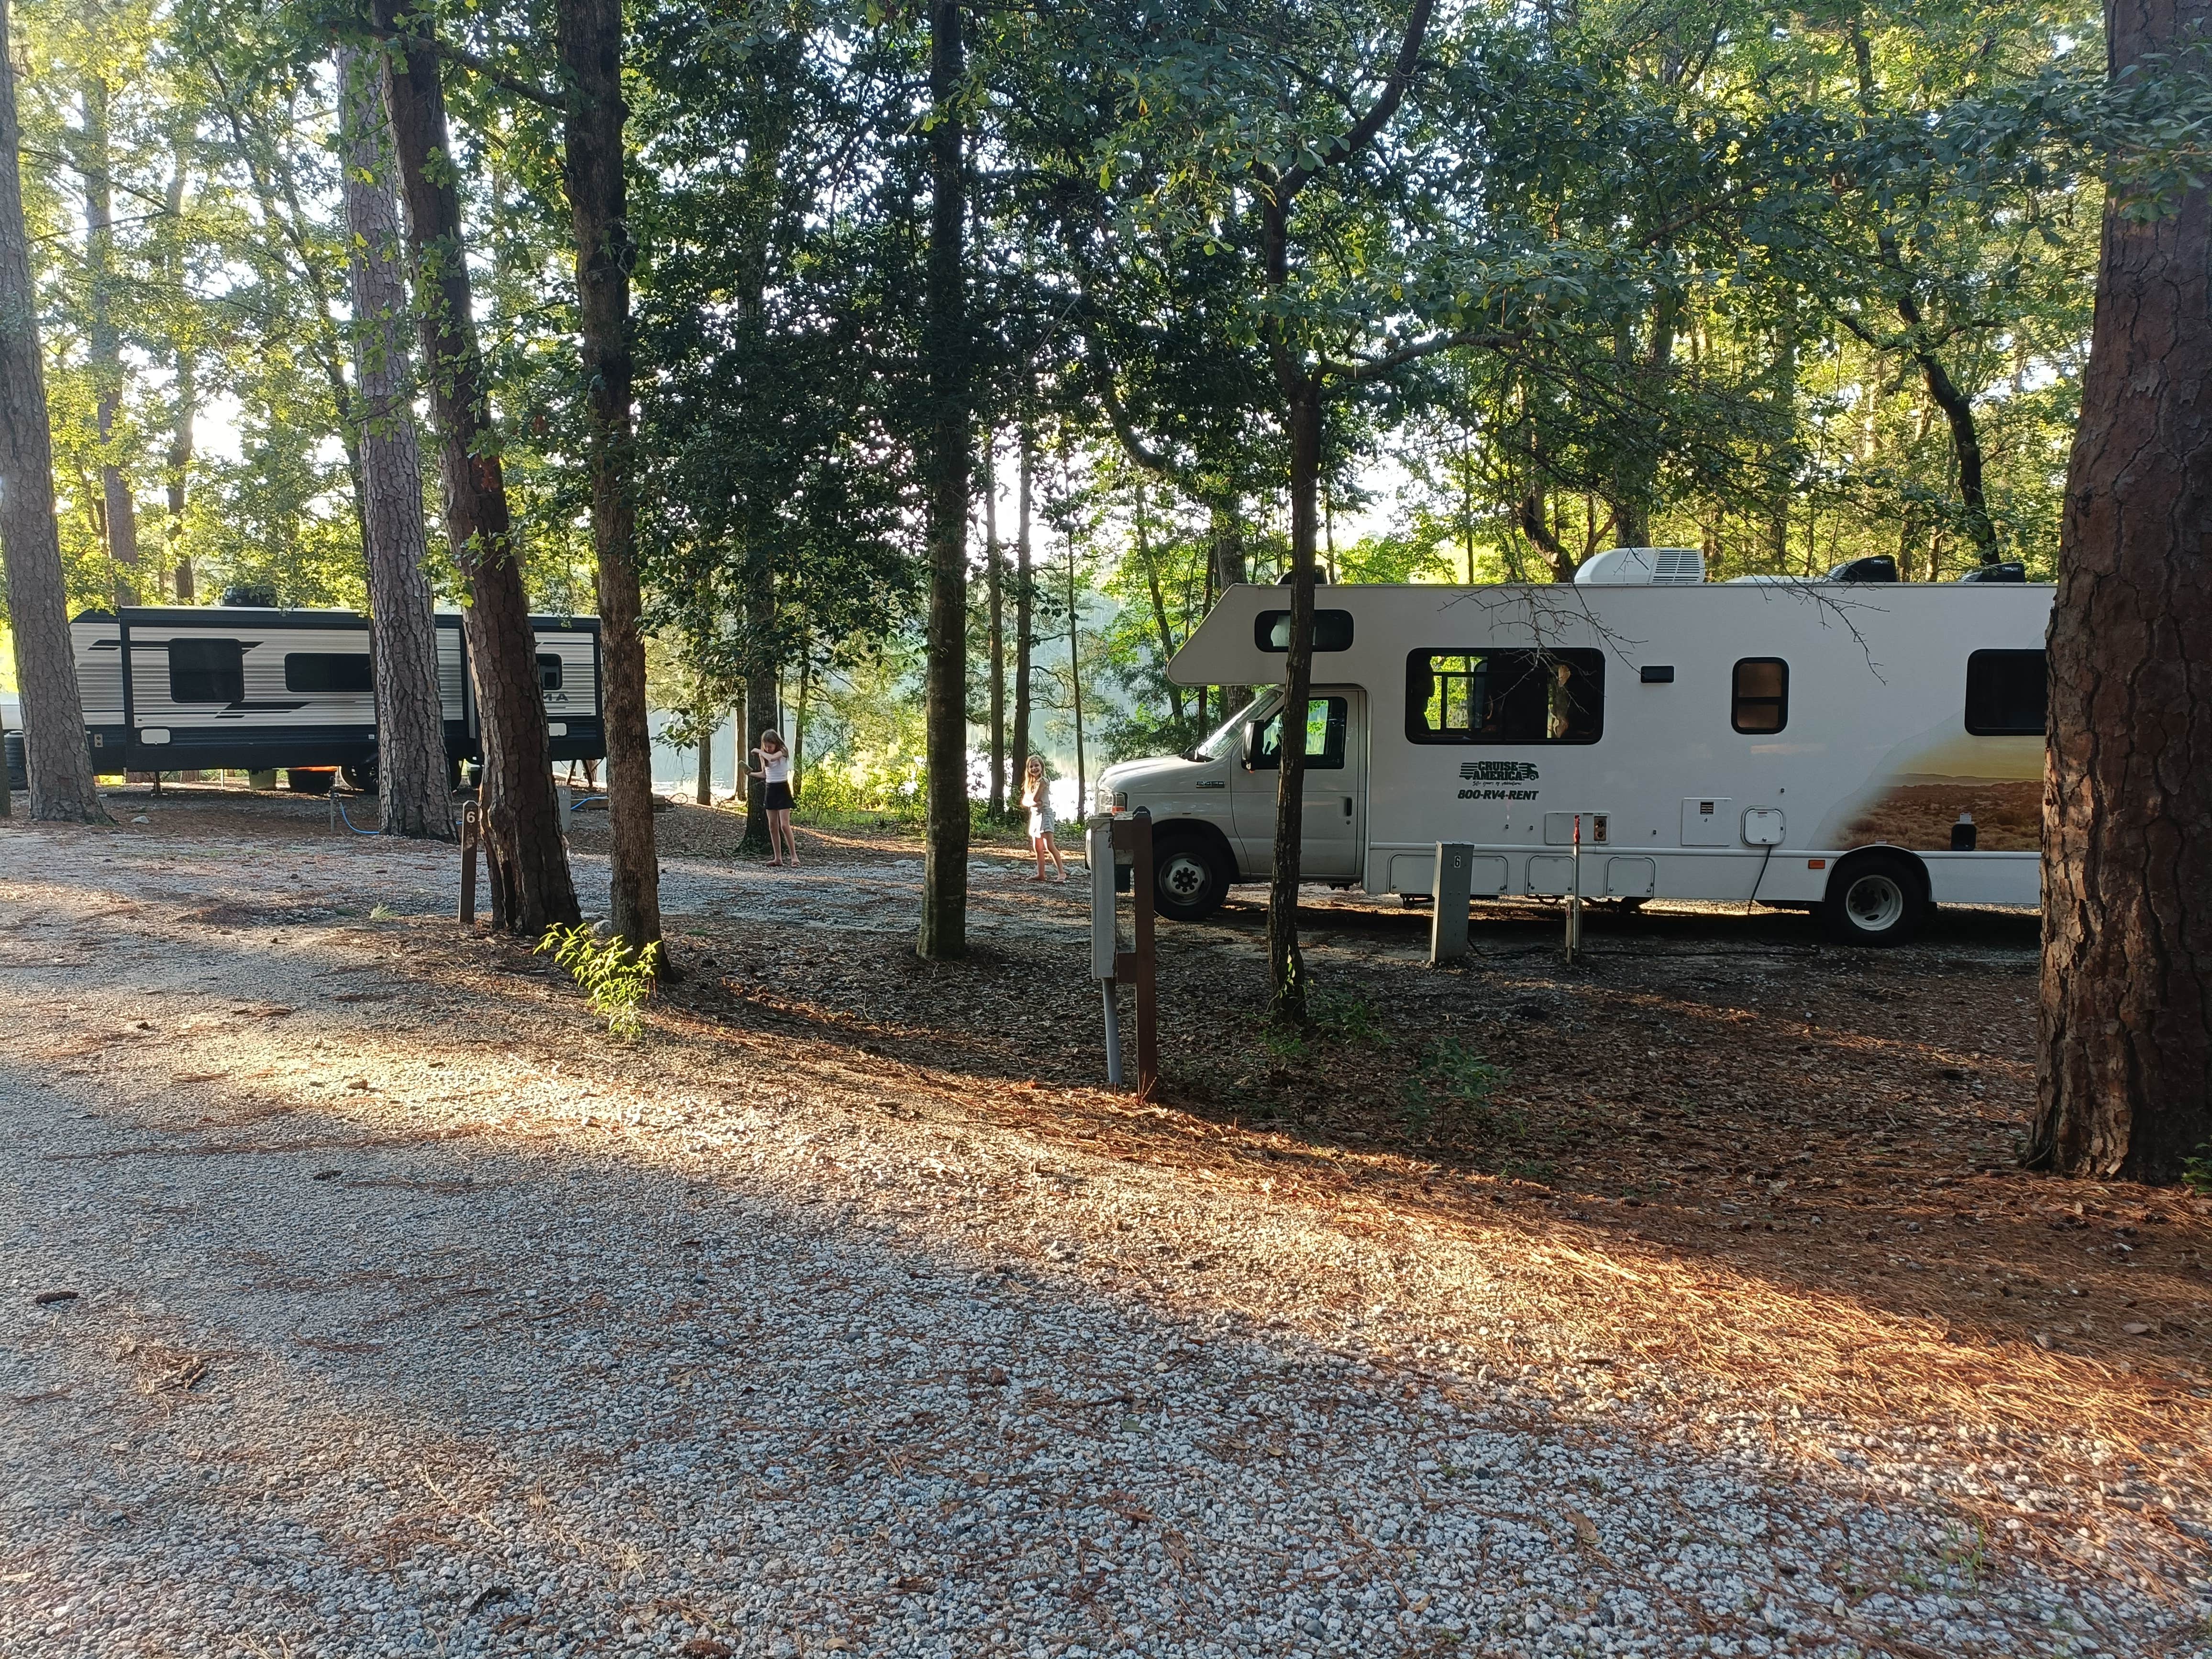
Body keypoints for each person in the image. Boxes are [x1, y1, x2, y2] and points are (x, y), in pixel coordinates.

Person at [749, 730, 798, 867]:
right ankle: (778, 858)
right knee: (772, 826)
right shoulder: (764, 755)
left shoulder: (782, 751)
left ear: (776, 744)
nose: (767, 749)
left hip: (782, 789)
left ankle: (794, 857)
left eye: (770, 746)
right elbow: (765, 774)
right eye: (765, 746)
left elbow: (772, 758)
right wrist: (751, 774)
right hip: (770, 789)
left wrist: (759, 751)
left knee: (784, 825)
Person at [1020, 754, 1066, 882]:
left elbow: (1035, 798)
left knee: (1049, 845)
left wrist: (1032, 801)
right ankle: (1041, 874)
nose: (1034, 768)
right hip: (1035, 815)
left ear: (1042, 767)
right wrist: (1032, 802)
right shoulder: (1030, 783)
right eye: (1031, 766)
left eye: (1037, 766)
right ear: (1028, 769)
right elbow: (1026, 801)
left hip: (1045, 814)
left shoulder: (1043, 781)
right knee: (1037, 847)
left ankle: (1062, 873)